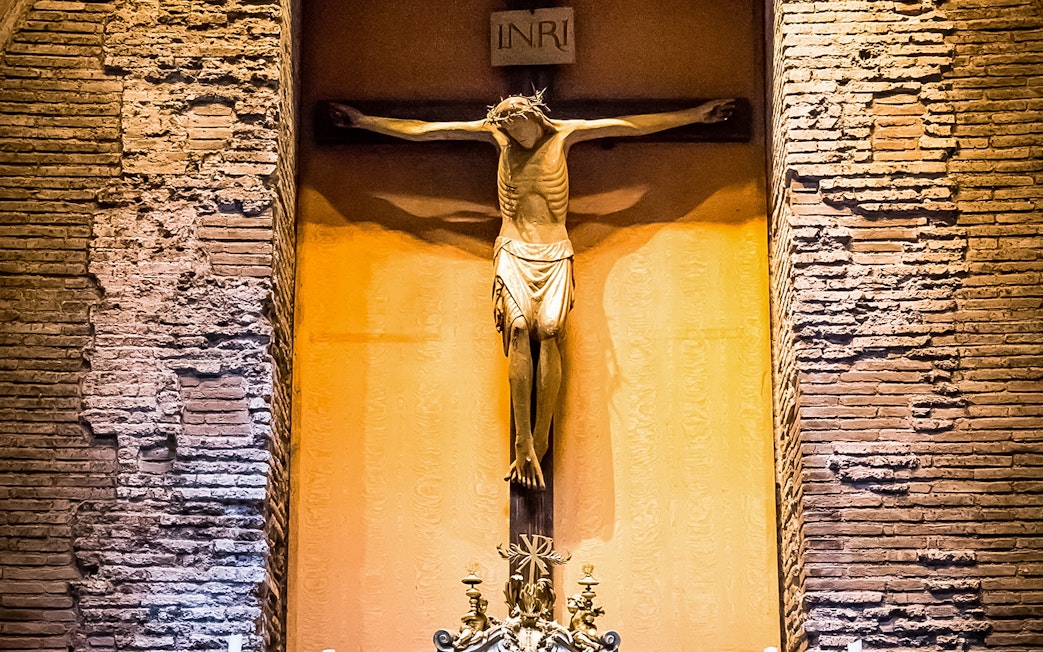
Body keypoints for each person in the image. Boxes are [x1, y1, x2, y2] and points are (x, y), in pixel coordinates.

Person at [329, 92, 734, 490]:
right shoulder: (496, 136)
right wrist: (364, 121)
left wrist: (697, 114)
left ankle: (541, 437)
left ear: (535, 116)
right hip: (512, 249)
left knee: (552, 330)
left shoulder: (566, 134)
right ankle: (523, 436)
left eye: (515, 123)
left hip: (555, 251)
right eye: (503, 124)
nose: (510, 130)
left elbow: (635, 124)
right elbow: (425, 131)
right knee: (520, 330)